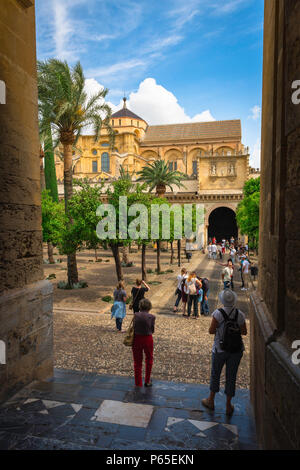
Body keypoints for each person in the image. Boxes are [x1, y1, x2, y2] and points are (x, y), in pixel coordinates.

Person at [202, 289, 247, 416]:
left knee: (215, 373)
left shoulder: (218, 313)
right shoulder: (240, 314)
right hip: (236, 350)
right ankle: (228, 405)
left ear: (222, 300)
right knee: (231, 376)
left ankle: (211, 400)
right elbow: (244, 332)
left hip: (219, 348)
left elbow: (211, 331)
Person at [132, 298, 155, 387]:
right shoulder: (152, 317)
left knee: (137, 361)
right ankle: (147, 380)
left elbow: (134, 327)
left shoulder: (136, 315)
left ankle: (138, 382)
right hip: (147, 338)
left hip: (137, 338)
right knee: (149, 359)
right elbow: (152, 330)